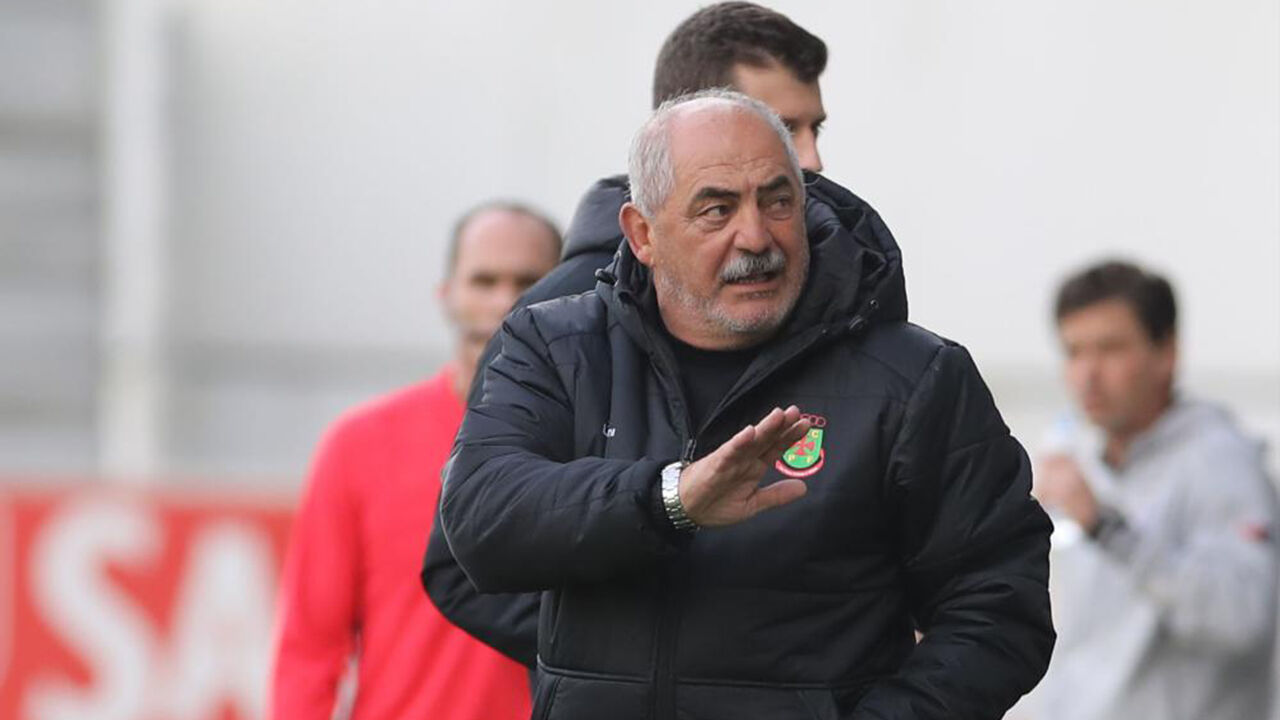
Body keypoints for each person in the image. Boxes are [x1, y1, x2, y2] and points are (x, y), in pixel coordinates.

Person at [439, 90, 1054, 719]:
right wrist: (670, 500)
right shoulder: (555, 345)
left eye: (778, 201)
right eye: (717, 210)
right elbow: (482, 520)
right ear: (643, 234)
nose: (757, 237)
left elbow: (1000, 606)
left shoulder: (912, 377)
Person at [422, 0, 834, 667]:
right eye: (783, 127)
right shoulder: (554, 320)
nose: (810, 158)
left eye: (814, 128)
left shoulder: (855, 295)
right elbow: (462, 558)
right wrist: (622, 657)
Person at [270, 202, 561, 720]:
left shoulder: (592, 444)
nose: (503, 301)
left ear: (565, 294)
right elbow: (309, 649)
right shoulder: (359, 445)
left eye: (527, 281)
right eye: (484, 280)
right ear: (446, 295)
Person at [1031, 260, 1277, 720]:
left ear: (1167, 352)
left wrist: (1109, 530)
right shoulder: (1079, 457)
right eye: (1074, 351)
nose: (1087, 373)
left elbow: (1243, 618)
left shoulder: (1221, 461)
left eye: (1110, 349)